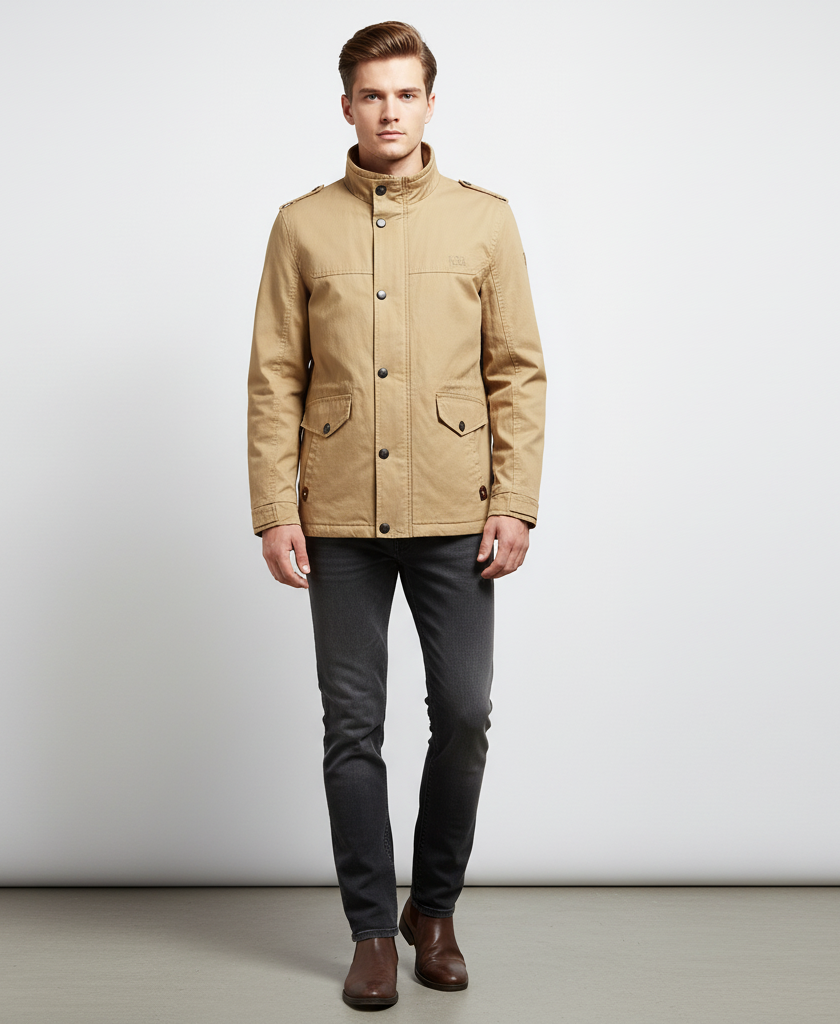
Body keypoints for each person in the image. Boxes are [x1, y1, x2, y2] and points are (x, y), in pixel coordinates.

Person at [246, 21, 546, 1010]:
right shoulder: (301, 225)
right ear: (346, 106)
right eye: (371, 95)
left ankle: (436, 911)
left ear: (429, 103)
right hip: (336, 514)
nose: (388, 111)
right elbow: (274, 376)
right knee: (352, 727)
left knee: (463, 714)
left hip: (456, 508)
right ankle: (373, 929)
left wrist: (514, 501)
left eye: (405, 94)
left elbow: (517, 371)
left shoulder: (483, 221)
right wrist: (274, 510)